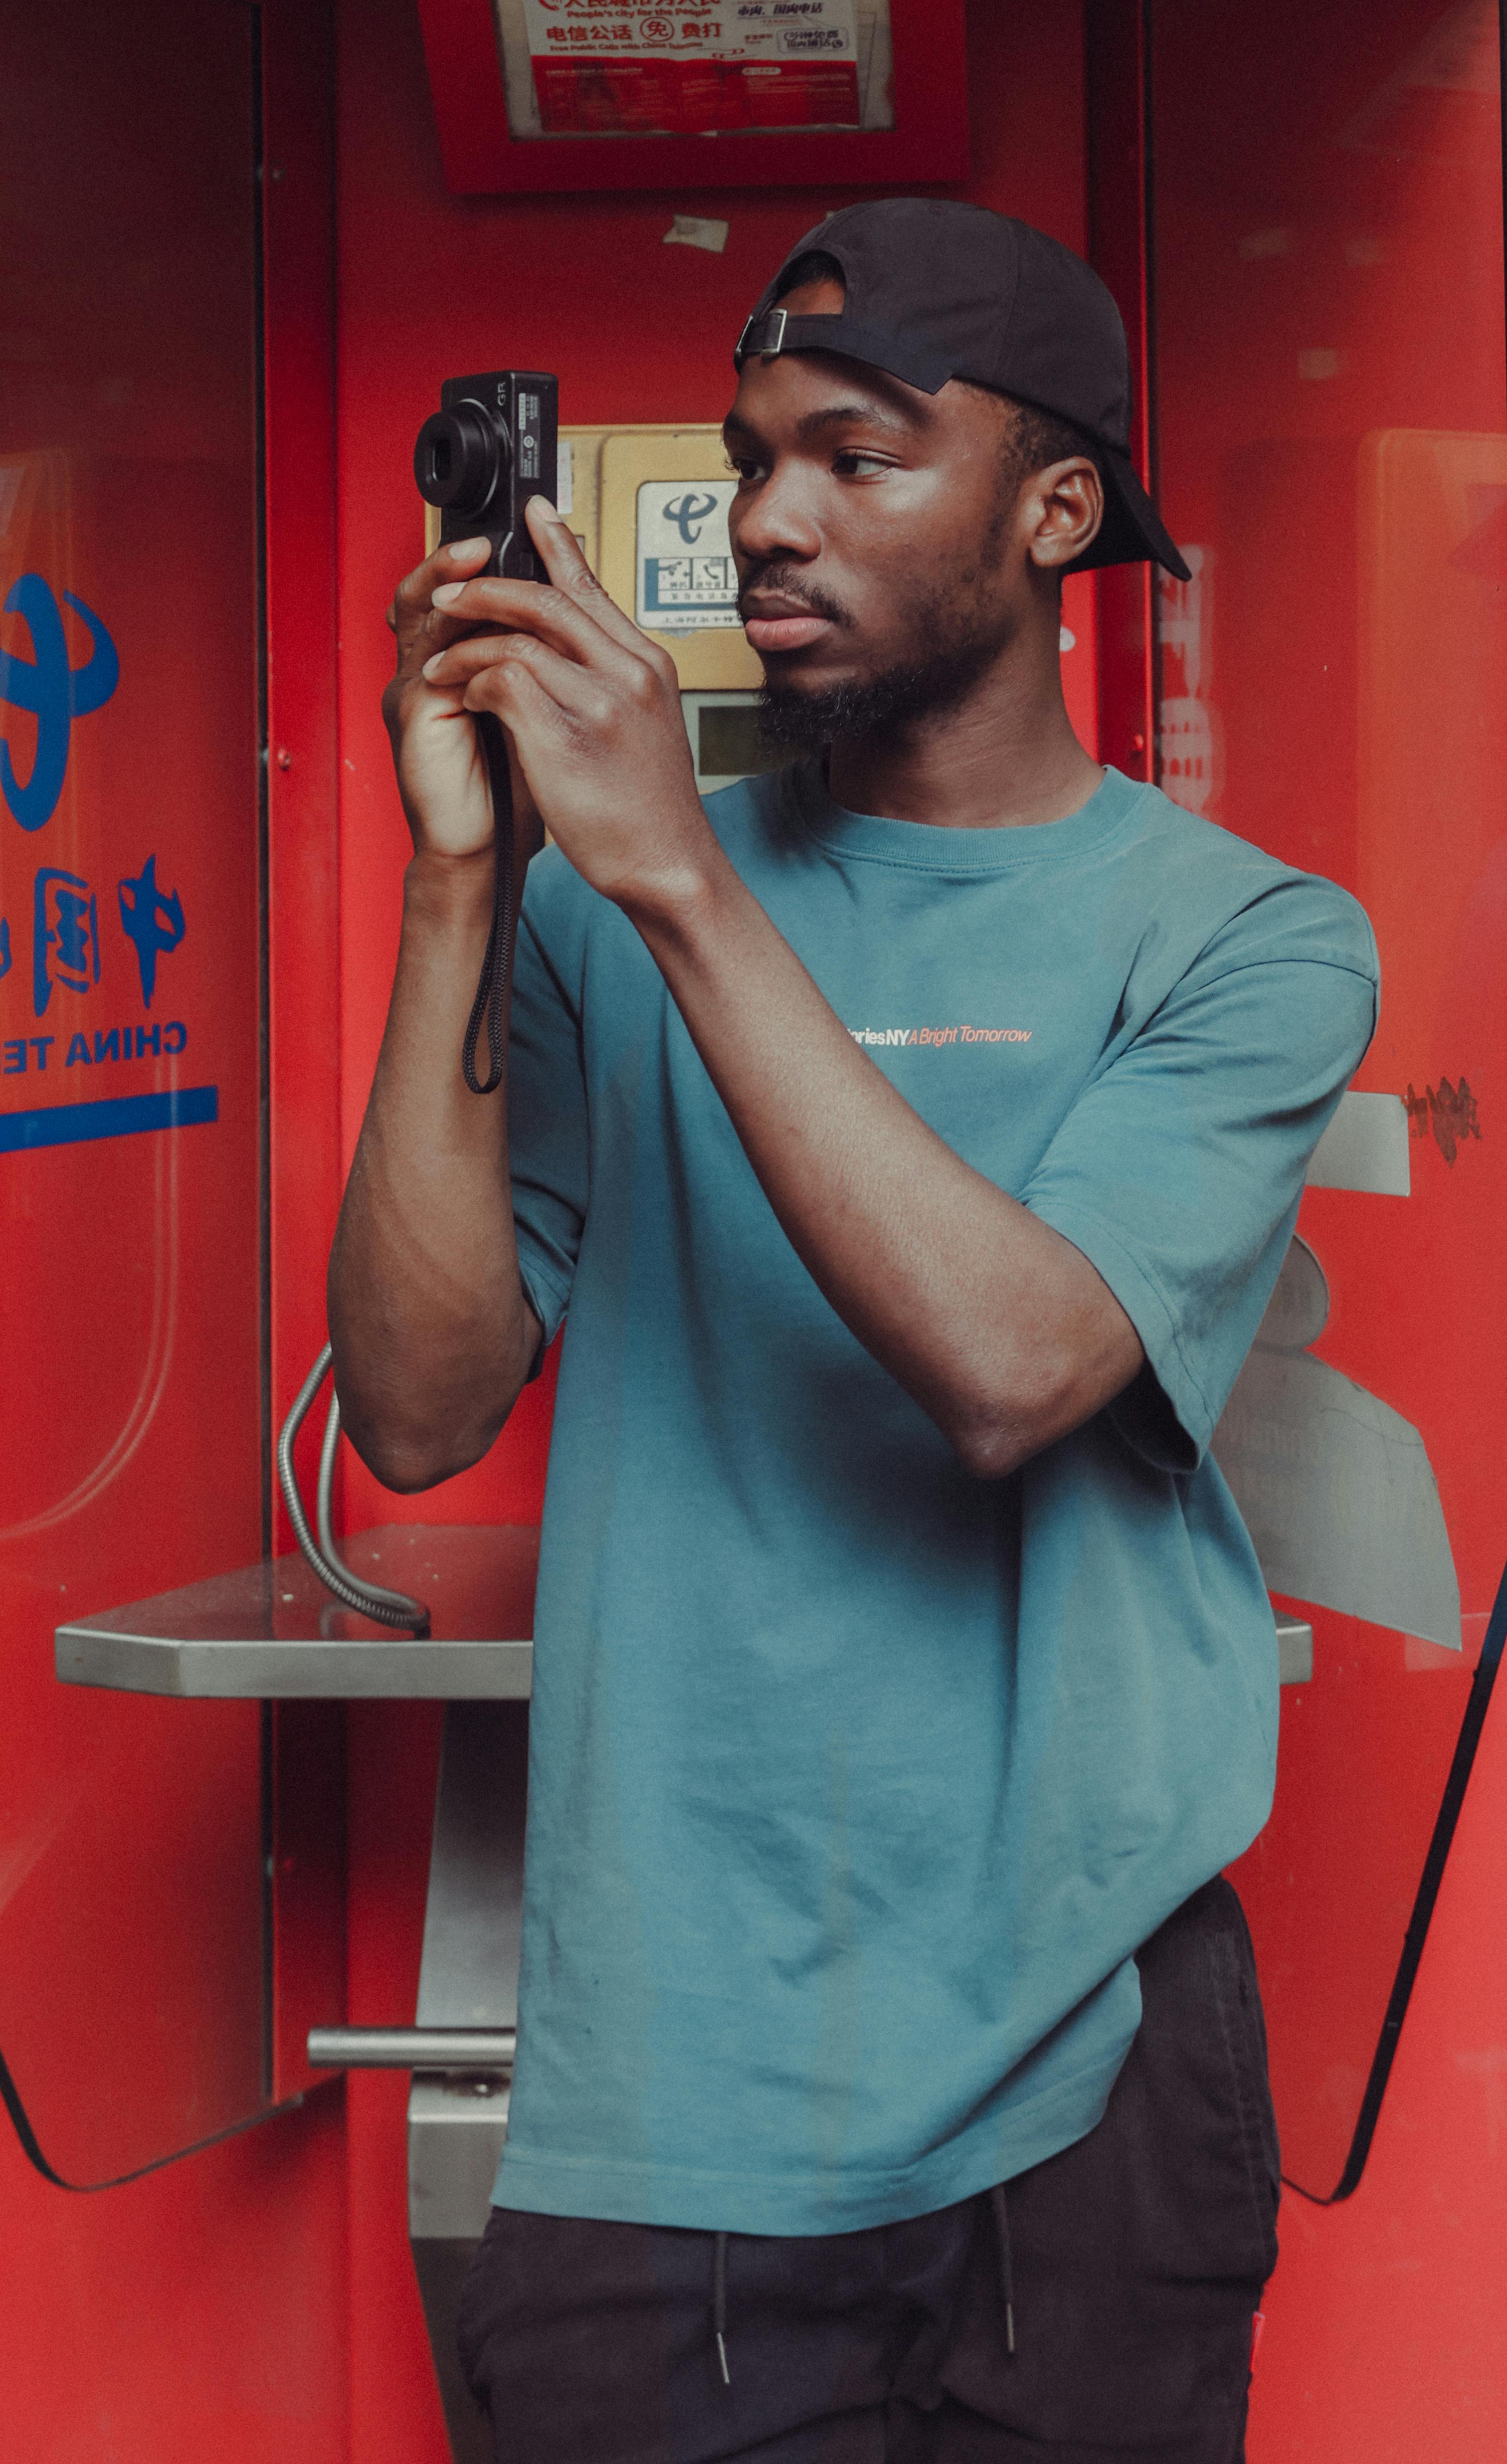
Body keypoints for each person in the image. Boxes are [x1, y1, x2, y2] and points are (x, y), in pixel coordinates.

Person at [329, 195, 1377, 2464]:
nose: (763, 520)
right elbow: (415, 1409)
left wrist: (673, 881)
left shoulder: (1243, 941)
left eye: (856, 454)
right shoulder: (599, 899)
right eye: (745, 459)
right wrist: (463, 877)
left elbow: (1012, 1363)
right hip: (667, 2079)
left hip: (1082, 2059)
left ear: (1052, 508)